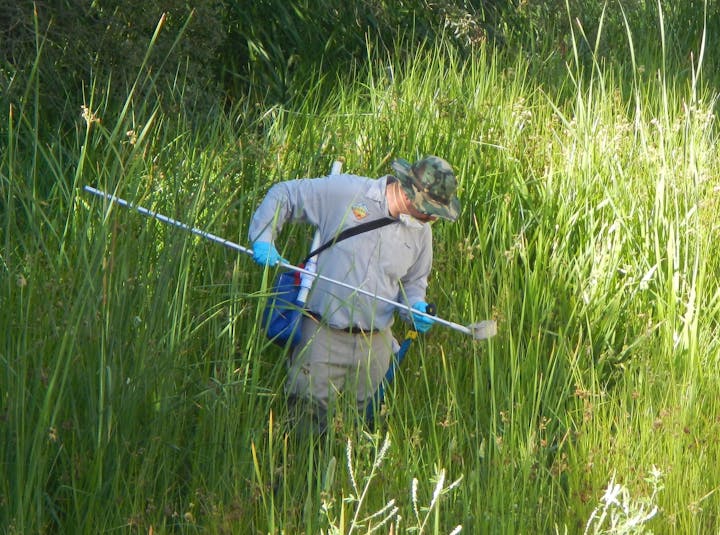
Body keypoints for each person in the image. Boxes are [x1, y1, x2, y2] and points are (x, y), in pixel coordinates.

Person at [248, 156, 461, 433]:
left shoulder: (421, 232)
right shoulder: (347, 193)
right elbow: (285, 194)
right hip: (322, 333)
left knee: (360, 430)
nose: (433, 217)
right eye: (431, 210)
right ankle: (294, 473)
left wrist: (416, 307)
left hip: (375, 346)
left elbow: (413, 281)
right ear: (410, 193)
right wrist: (263, 238)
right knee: (304, 423)